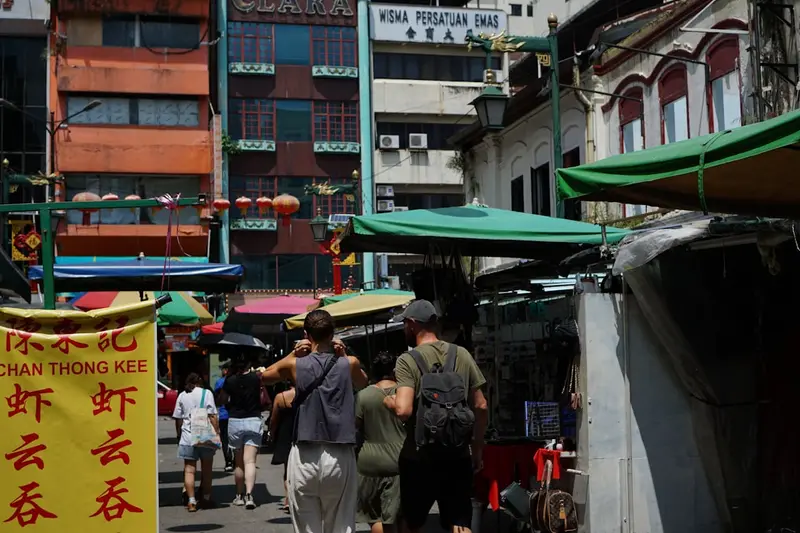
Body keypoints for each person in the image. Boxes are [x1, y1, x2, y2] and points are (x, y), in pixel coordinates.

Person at [383, 300, 489, 533]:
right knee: (459, 523)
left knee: (411, 523)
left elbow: (403, 410)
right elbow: (481, 406)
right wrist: (477, 448)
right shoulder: (461, 354)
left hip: (418, 457)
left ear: (411, 324)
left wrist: (389, 401)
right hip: (457, 455)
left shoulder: (407, 360)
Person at [259, 309, 368, 533]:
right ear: (333, 333)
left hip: (304, 452)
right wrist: (344, 355)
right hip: (339, 452)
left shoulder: (294, 365)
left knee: (306, 526)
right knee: (341, 525)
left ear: (306, 334)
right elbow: (364, 383)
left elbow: (265, 377)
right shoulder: (349, 363)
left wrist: (292, 356)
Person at [356, 351, 406, 533]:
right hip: (400, 459)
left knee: (375, 517)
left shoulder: (363, 396)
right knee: (401, 516)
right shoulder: (405, 394)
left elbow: (355, 426)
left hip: (369, 461)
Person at [219, 355, 263, 509]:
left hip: (235, 422)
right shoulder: (256, 378)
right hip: (253, 420)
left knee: (239, 462)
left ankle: (239, 496)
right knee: (250, 461)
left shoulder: (229, 380)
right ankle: (250, 495)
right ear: (249, 364)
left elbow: (222, 400)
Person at [172, 373, 219, 512]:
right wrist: (216, 432)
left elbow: (178, 418)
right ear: (200, 382)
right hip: (204, 435)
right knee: (207, 469)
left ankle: (191, 501)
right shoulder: (207, 393)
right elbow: (212, 415)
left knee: (189, 470)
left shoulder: (182, 395)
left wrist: (179, 434)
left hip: (187, 436)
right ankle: (205, 498)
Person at [269, 383, 297, 512]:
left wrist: (272, 433)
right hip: (302, 433)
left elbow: (274, 419)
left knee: (287, 470)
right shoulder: (309, 395)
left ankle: (288, 498)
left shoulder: (281, 397)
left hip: (285, 435)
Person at [214, 361, 234, 473]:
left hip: (223, 415)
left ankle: (228, 461)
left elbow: (216, 398)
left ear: (226, 370)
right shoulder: (236, 381)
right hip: (235, 415)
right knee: (235, 439)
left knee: (225, 440)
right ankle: (236, 460)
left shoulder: (220, 382)